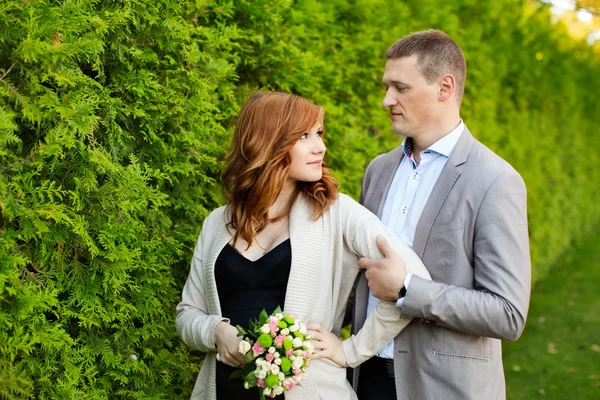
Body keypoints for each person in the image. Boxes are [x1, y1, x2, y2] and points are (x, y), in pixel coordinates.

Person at [175, 92, 431, 399]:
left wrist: (352, 350)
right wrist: (215, 332)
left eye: (319, 133)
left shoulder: (337, 213)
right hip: (222, 390)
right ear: (268, 142)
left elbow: (413, 280)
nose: (320, 146)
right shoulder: (218, 223)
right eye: (304, 136)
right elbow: (188, 313)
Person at [350, 30, 531, 400]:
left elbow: (508, 313)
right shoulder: (378, 170)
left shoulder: (495, 181)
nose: (387, 100)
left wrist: (405, 290)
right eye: (386, 87)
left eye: (400, 88)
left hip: (444, 389)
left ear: (444, 87)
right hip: (364, 380)